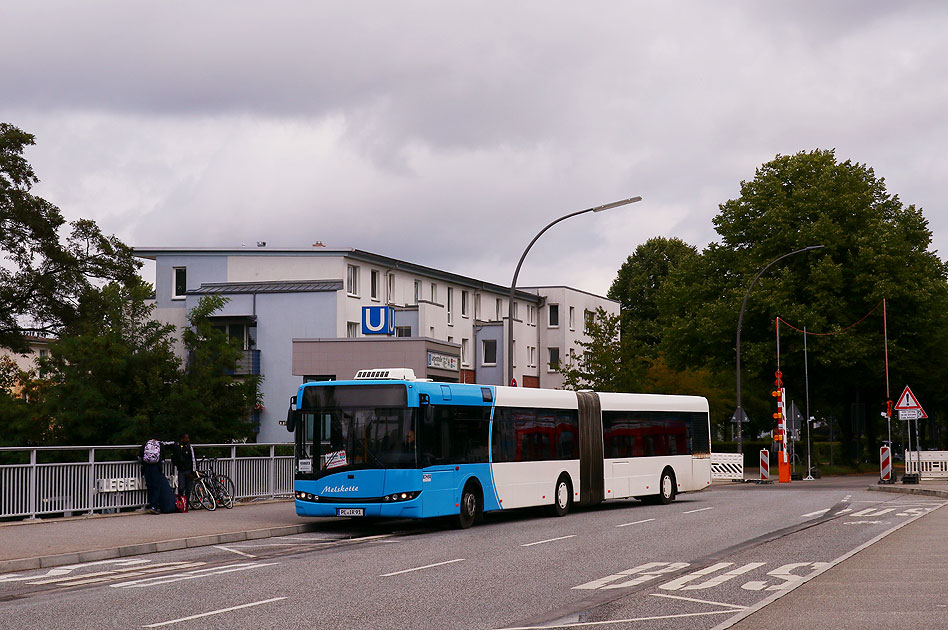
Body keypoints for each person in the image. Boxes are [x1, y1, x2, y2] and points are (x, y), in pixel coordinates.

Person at [140, 436, 175, 514]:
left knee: (149, 486)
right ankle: (154, 506)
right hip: (156, 468)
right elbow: (162, 459)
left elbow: (140, 456)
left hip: (146, 467)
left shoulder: (146, 444)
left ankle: (150, 505)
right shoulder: (160, 445)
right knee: (156, 487)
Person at [170, 434, 196, 511]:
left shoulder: (189, 447)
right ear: (182, 439)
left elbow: (193, 459)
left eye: (188, 438)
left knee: (188, 489)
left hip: (189, 470)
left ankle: (186, 505)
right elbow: (173, 457)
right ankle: (181, 503)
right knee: (181, 488)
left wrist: (193, 471)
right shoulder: (177, 447)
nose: (187, 440)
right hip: (181, 470)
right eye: (186, 438)